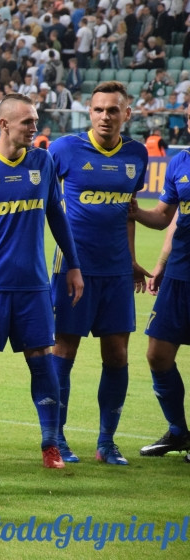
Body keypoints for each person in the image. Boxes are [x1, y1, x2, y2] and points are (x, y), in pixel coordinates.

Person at [0, 93, 84, 469]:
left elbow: (57, 216)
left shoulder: (42, 161)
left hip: (33, 286)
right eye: (28, 121)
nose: (35, 127)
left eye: (35, 121)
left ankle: (50, 445)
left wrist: (74, 266)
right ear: (4, 124)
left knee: (41, 361)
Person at [48, 81, 149, 466]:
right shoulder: (65, 149)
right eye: (98, 110)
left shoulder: (137, 155)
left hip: (117, 271)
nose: (105, 116)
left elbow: (129, 211)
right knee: (64, 350)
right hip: (73, 268)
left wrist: (133, 260)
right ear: (89, 113)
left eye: (113, 110)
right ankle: (56, 437)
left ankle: (107, 443)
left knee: (118, 354)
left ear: (127, 114)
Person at [129, 100, 190, 461]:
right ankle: (179, 432)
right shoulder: (180, 161)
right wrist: (135, 211)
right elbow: (166, 217)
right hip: (180, 273)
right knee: (158, 353)